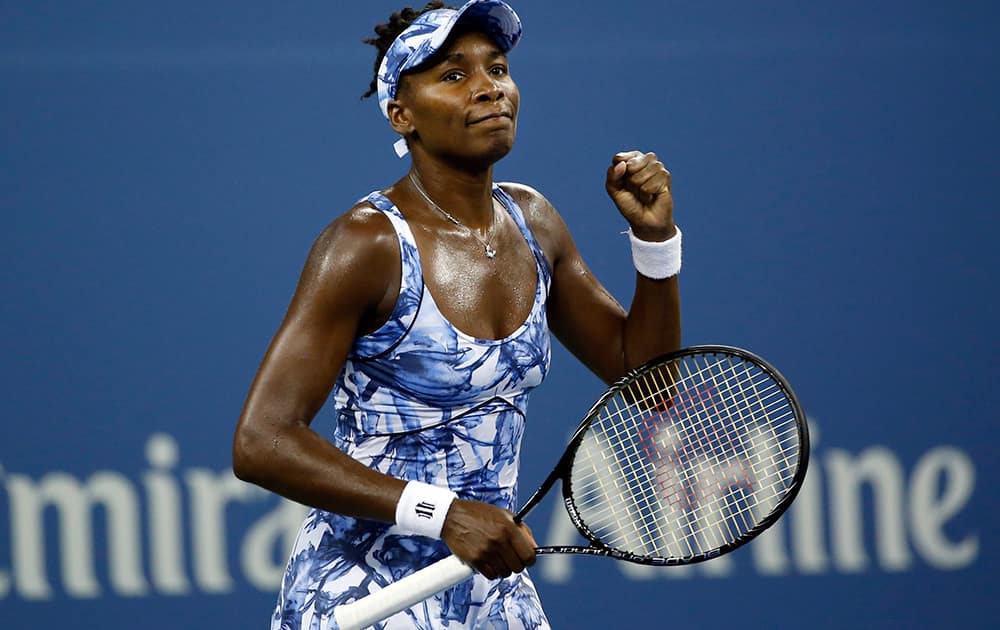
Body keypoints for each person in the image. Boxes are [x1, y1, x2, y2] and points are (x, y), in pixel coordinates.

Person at [232, 1, 682, 628]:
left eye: (496, 69)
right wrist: (441, 514)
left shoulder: (535, 221)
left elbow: (651, 382)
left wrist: (655, 246)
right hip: (364, 592)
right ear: (401, 114)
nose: (488, 88)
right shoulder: (366, 245)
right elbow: (262, 442)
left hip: (487, 584)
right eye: (453, 75)